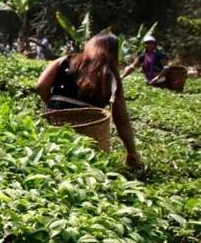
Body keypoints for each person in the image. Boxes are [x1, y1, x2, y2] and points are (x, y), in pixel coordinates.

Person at [36, 33, 141, 165]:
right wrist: (131, 151)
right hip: (87, 130)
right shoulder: (109, 74)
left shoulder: (65, 60)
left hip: (55, 121)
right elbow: (121, 118)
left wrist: (54, 106)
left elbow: (41, 85)